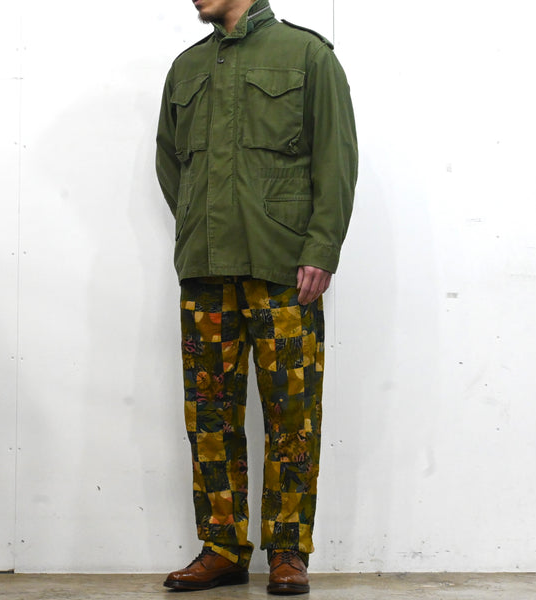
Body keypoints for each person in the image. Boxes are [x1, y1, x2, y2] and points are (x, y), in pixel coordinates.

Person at [155, 0, 358, 594]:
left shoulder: (307, 55)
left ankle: (288, 551)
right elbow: (170, 163)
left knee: (292, 415)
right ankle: (222, 547)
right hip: (206, 270)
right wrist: (197, 222)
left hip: (283, 268)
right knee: (209, 416)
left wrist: (320, 246)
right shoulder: (186, 68)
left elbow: (336, 156)